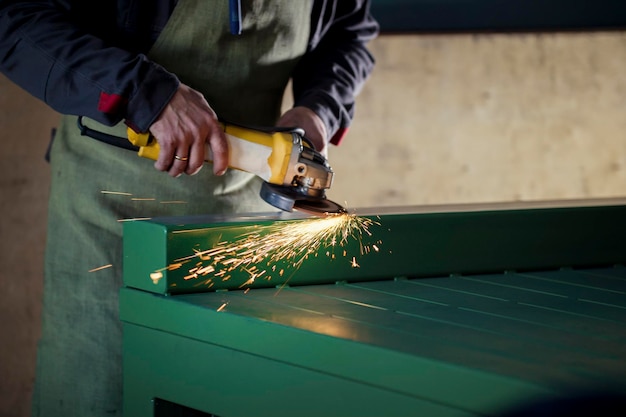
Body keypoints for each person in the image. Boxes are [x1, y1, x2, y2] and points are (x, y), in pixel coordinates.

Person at [0, 0, 378, 416]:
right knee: (99, 395)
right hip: (108, 216)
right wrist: (146, 92)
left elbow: (349, 32)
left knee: (224, 396)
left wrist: (319, 107)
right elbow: (16, 19)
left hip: (246, 220)